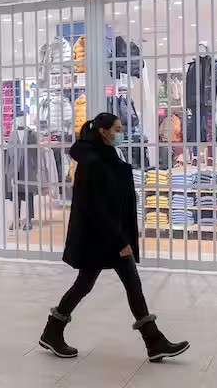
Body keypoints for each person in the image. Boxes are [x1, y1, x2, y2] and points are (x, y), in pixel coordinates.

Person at [39, 113, 189, 362]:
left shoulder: (105, 156)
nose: (121, 133)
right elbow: (97, 208)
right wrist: (120, 241)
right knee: (113, 284)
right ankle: (154, 342)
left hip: (107, 236)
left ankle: (52, 332)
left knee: (98, 284)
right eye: (117, 129)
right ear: (103, 131)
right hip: (103, 238)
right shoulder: (93, 162)